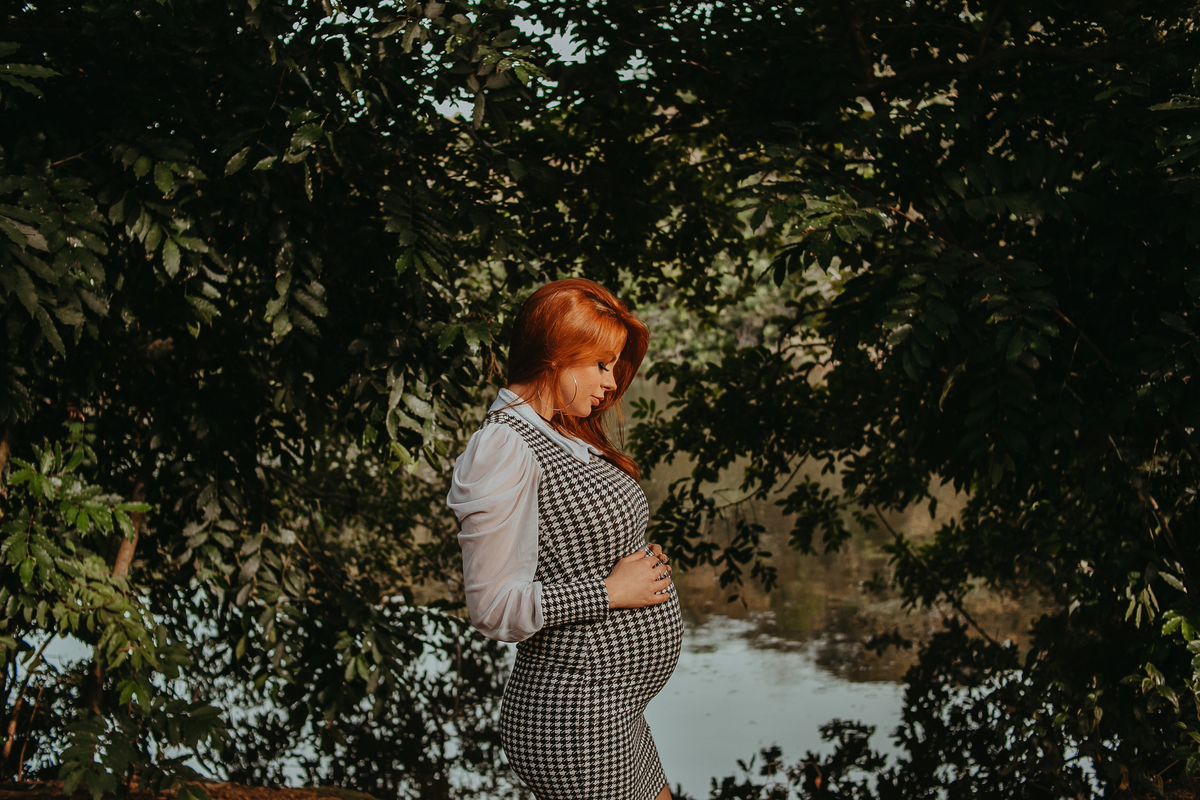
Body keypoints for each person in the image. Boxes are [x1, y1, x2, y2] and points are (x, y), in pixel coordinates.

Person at [447, 278, 683, 800]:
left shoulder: (560, 430)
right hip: (573, 720)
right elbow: (493, 609)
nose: (612, 382)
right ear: (556, 356)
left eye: (615, 366)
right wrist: (611, 592)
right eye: (601, 364)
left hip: (613, 708)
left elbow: (575, 547)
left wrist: (639, 559)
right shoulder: (503, 446)